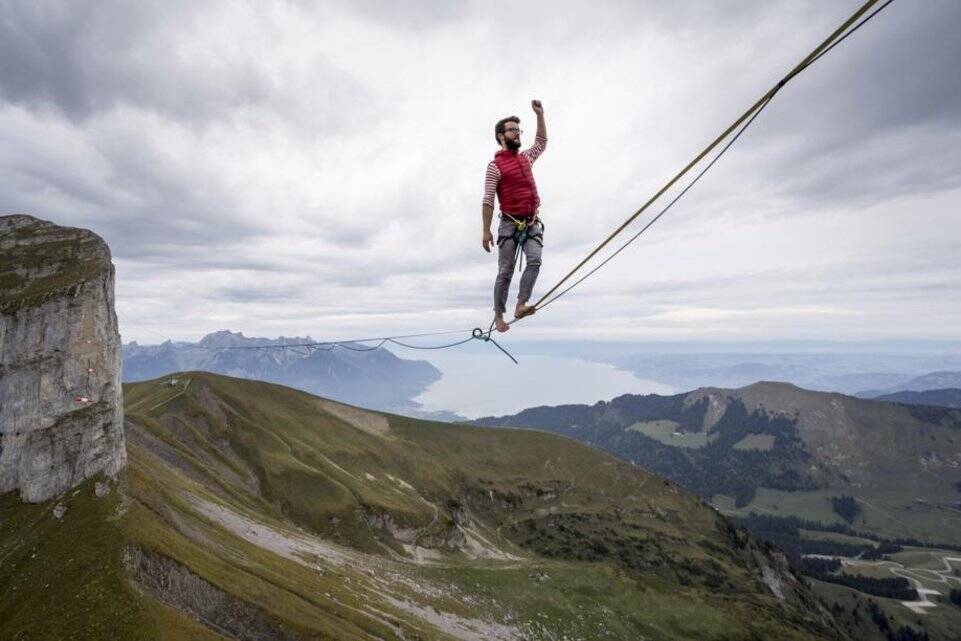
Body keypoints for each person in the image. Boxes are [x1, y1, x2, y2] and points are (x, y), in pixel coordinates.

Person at [481, 99, 547, 333]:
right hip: (509, 224)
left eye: (519, 131)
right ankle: (499, 316)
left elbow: (541, 143)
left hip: (531, 223)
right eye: (512, 130)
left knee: (535, 260)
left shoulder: (525, 159)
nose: (518, 134)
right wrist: (486, 230)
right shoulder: (494, 166)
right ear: (501, 136)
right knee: (505, 271)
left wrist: (540, 115)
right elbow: (488, 200)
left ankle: (521, 304)